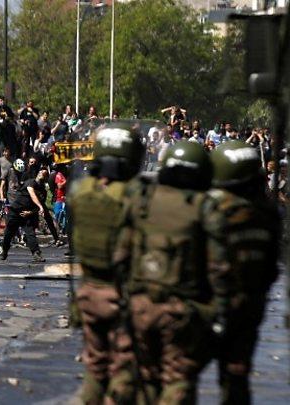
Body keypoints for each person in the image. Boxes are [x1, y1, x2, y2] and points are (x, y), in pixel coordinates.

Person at [110, 141, 226, 403]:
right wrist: (215, 312)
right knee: (178, 380)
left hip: (139, 307)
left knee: (146, 378)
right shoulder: (204, 206)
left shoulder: (143, 200)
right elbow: (219, 268)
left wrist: (126, 298)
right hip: (180, 311)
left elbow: (119, 257)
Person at [67, 124, 145, 404]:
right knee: (124, 373)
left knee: (96, 367)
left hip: (89, 292)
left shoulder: (81, 192)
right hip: (121, 294)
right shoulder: (134, 197)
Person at [207, 141, 280, 405]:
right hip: (250, 304)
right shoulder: (268, 214)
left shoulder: (211, 209)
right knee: (237, 374)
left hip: (211, 302)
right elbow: (271, 269)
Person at [0, 167, 49, 262]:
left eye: (44, 173)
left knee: (30, 234)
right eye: (41, 171)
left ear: (46, 178)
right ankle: (4, 251)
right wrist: (39, 206)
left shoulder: (43, 191)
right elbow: (32, 194)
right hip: (15, 211)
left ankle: (36, 253)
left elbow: (39, 206)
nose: (42, 173)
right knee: (8, 234)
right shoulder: (31, 182)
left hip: (26, 214)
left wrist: (31, 212)